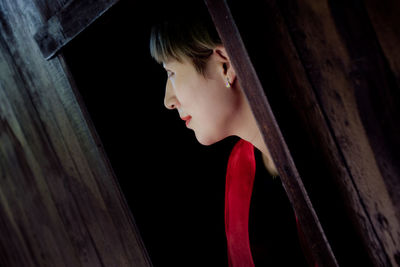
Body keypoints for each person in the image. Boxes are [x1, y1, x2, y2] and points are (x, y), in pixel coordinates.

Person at [149, 6, 313, 267]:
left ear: (224, 64)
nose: (168, 100)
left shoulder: (320, 139)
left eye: (171, 72)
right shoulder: (239, 168)